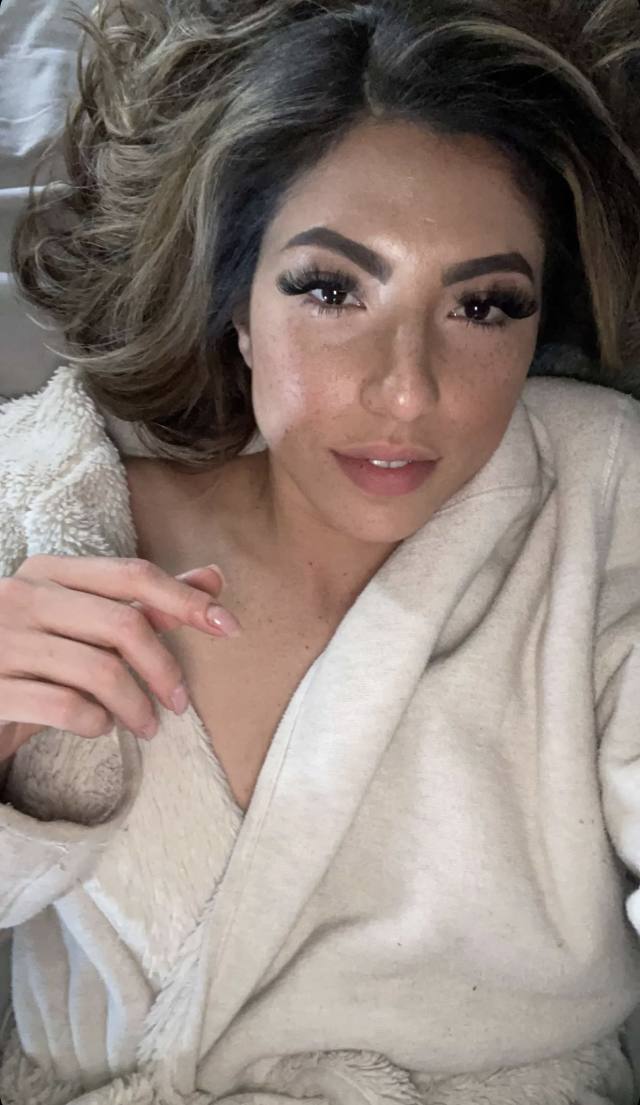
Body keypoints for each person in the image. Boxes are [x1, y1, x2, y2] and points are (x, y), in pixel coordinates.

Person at [1, 0, 640, 1101]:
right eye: (331, 290)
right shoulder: (37, 501)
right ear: (238, 307)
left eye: (484, 306)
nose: (407, 389)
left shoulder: (600, 491)